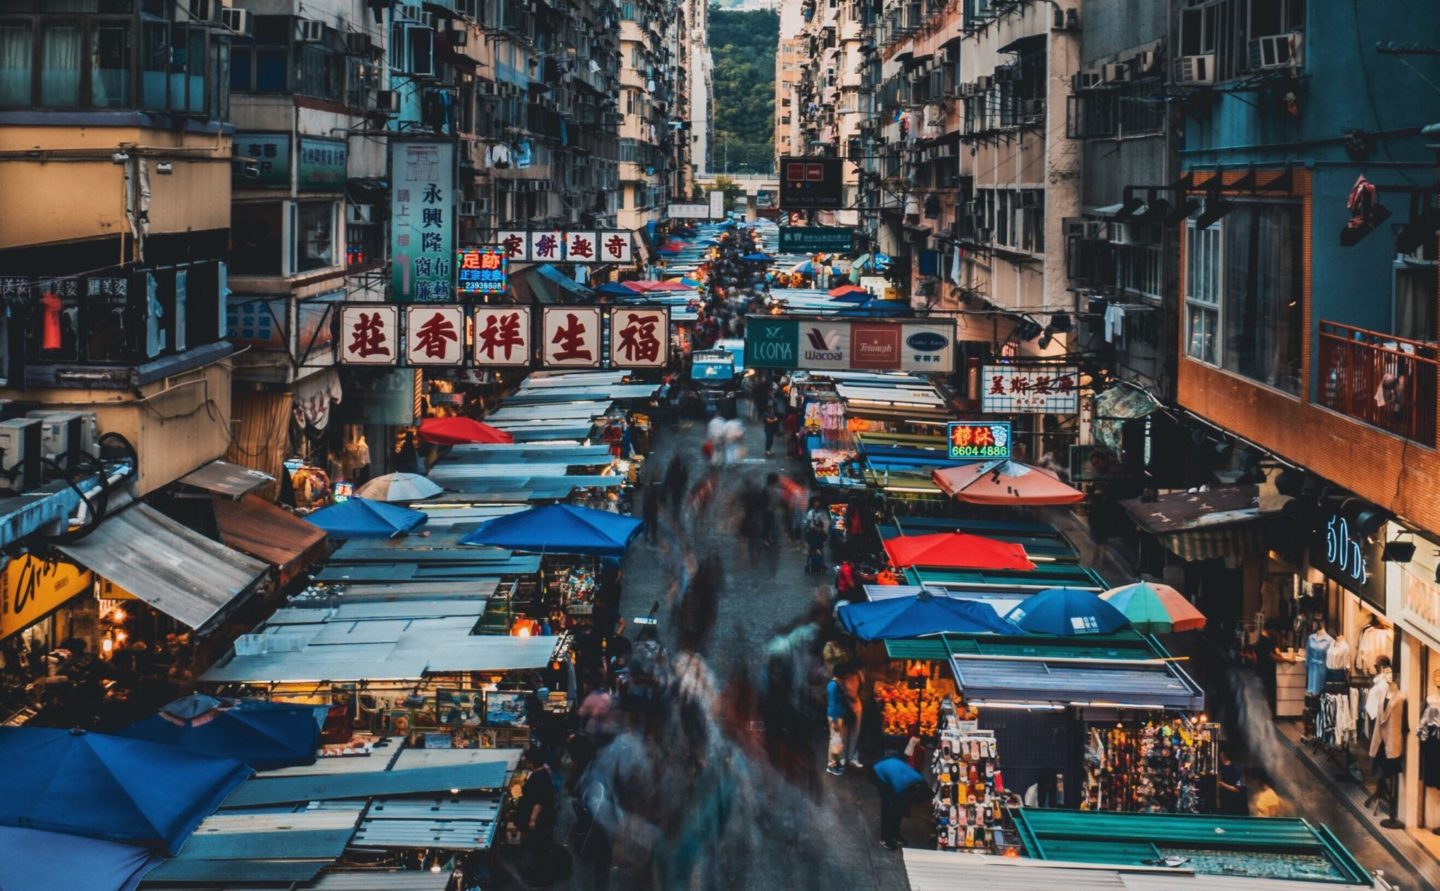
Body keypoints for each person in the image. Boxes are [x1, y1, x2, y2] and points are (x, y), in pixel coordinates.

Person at [517, 746, 559, 880]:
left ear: (532, 762)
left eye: (528, 760)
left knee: (539, 848)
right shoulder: (543, 773)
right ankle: (539, 872)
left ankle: (540, 876)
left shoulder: (538, 777)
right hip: (545, 819)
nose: (526, 763)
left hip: (541, 820)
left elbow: (538, 801)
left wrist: (532, 820)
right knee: (539, 847)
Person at [872, 751, 926, 850]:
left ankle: (895, 834)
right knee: (888, 807)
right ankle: (885, 838)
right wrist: (905, 809)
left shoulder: (918, 779)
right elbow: (899, 800)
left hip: (891, 768)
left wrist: (905, 808)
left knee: (898, 809)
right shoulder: (900, 784)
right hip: (878, 771)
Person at [826, 668, 849, 776]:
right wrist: (835, 720)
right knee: (835, 741)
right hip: (836, 717)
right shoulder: (833, 686)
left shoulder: (835, 684)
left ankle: (834, 763)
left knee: (836, 741)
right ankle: (832, 765)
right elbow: (833, 703)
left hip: (838, 716)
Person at [804, 498, 830, 574]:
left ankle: (822, 563)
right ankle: (808, 563)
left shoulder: (822, 513)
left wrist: (822, 530)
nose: (817, 504)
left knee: (820, 548)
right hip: (812, 533)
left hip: (819, 534)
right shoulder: (810, 513)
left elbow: (825, 522)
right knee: (812, 548)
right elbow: (808, 524)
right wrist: (816, 528)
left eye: (818, 502)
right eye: (815, 502)